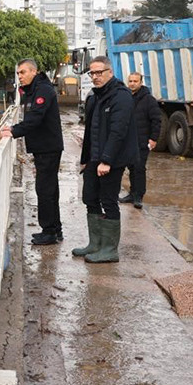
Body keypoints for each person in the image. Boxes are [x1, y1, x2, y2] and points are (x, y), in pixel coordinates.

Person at [72, 56, 138, 264]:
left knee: (108, 200)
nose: (95, 77)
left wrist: (107, 160)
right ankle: (95, 244)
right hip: (94, 158)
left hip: (113, 159)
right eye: (92, 73)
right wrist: (86, 160)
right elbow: (90, 131)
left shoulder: (121, 96)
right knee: (90, 197)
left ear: (110, 72)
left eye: (99, 73)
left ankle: (109, 250)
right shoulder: (94, 97)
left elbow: (118, 131)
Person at [10, 59, 65, 245]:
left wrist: (13, 131)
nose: (20, 76)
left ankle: (49, 231)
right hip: (44, 147)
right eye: (18, 73)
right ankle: (55, 228)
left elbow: (35, 118)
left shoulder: (43, 90)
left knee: (45, 190)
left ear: (34, 71)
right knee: (50, 189)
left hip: (48, 147)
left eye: (23, 72)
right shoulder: (34, 89)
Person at [118, 72, 162, 209]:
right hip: (128, 141)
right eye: (130, 81)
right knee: (131, 167)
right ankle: (132, 193)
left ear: (141, 82)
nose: (132, 83)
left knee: (139, 168)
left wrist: (154, 138)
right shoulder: (125, 97)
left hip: (142, 141)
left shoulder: (149, 100)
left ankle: (139, 196)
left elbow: (156, 120)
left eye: (135, 81)